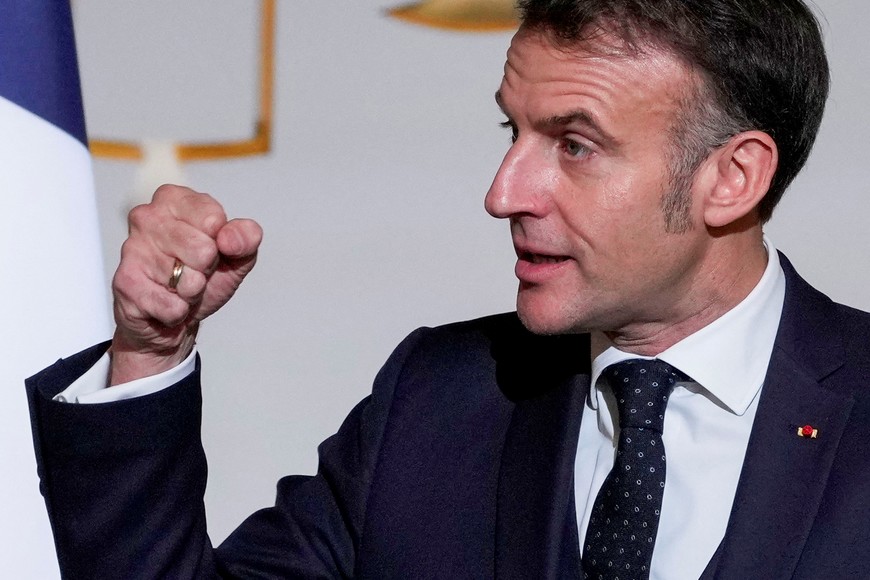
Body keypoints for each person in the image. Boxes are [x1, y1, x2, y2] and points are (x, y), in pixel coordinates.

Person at [26, 0, 870, 578]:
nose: (504, 192)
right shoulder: (439, 400)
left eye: (574, 145)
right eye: (514, 130)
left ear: (733, 177)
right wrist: (150, 350)